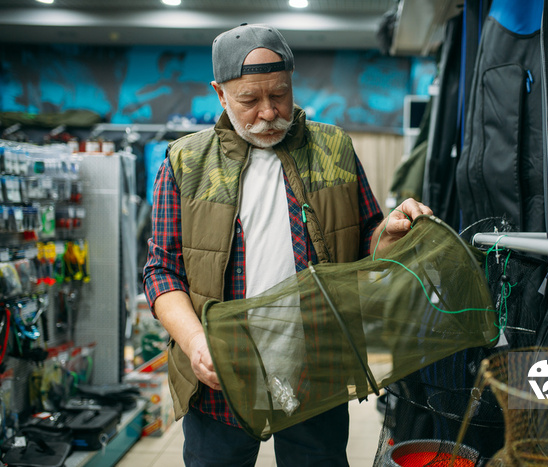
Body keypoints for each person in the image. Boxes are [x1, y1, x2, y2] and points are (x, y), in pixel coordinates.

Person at [143, 23, 432, 467]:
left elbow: (366, 244)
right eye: (249, 100)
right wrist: (195, 341)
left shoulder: (333, 148)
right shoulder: (185, 161)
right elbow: (161, 270)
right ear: (220, 94)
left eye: (279, 95)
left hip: (315, 372)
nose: (267, 113)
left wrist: (388, 234)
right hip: (222, 375)